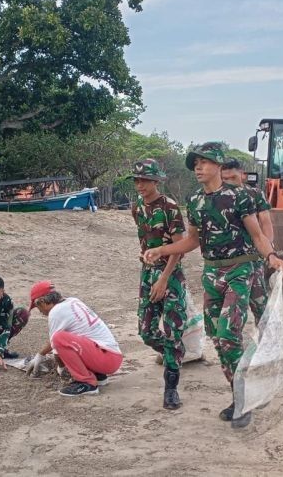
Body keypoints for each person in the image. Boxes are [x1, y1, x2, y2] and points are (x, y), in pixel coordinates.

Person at [144, 142, 283, 428]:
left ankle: (244, 397)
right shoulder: (196, 200)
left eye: (205, 162)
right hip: (212, 273)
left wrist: (271, 256)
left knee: (228, 333)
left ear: (220, 167)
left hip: (241, 268)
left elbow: (258, 235)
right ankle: (240, 394)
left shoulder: (239, 197)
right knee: (216, 336)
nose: (198, 167)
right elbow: (192, 241)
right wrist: (163, 250)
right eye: (196, 163)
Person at [130, 159, 187, 410]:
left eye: (144, 180)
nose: (140, 185)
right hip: (147, 273)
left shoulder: (170, 208)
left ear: (156, 182)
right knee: (145, 330)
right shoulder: (137, 208)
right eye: (137, 180)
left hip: (170, 275)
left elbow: (179, 248)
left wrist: (164, 278)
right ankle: (173, 352)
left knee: (173, 329)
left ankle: (171, 389)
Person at [27, 281, 122, 397]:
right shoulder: (72, 301)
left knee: (59, 338)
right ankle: (99, 376)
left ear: (42, 302)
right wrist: (40, 354)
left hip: (105, 359)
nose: (40, 312)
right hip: (111, 355)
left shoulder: (56, 312)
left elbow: (57, 343)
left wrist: (62, 369)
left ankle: (86, 383)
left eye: (38, 307)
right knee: (65, 337)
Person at [221, 158, 275, 326]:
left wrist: (268, 250)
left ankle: (267, 342)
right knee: (231, 308)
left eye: (233, 178)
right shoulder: (216, 197)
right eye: (225, 179)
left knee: (259, 305)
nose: (229, 183)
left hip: (253, 258)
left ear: (243, 175)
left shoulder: (255, 194)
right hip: (228, 260)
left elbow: (265, 221)